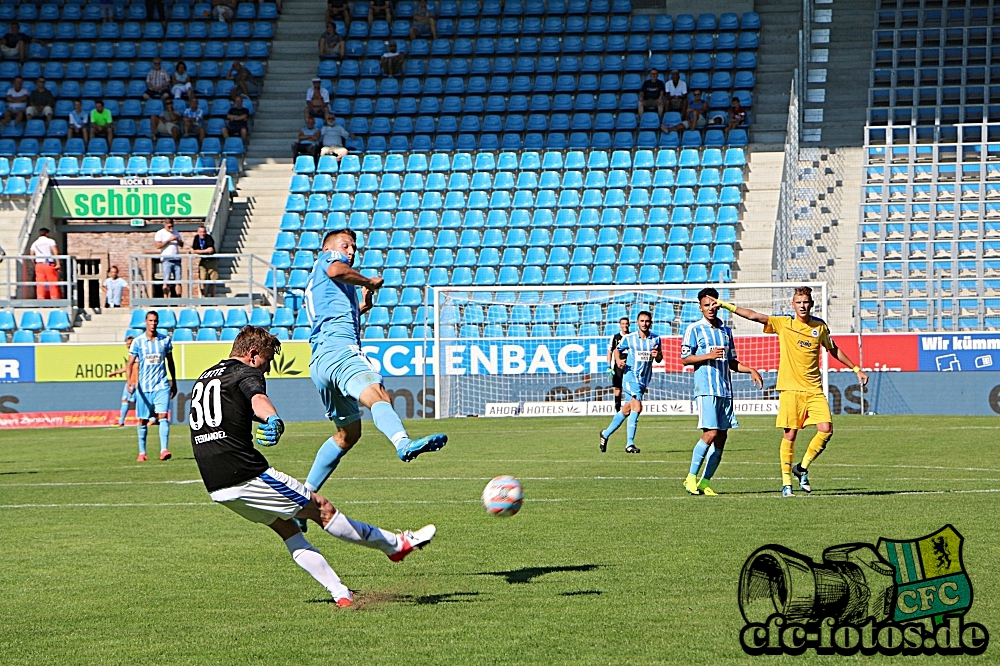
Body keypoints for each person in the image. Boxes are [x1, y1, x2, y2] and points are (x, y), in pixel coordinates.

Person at [189, 326, 436, 606]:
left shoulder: (207, 376)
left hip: (216, 483)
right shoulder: (247, 372)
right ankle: (395, 545)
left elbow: (228, 411)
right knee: (321, 509)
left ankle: (341, 594)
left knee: (288, 528)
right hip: (245, 472)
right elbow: (257, 398)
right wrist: (273, 419)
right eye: (267, 362)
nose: (266, 370)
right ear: (253, 354)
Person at [299, 229, 447, 528]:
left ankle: (302, 500)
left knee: (347, 435)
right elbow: (336, 268)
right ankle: (403, 442)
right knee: (377, 394)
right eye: (345, 244)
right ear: (329, 247)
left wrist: (363, 302)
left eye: (353, 246)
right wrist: (368, 280)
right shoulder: (330, 260)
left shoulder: (321, 286)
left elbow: (339, 307)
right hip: (341, 351)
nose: (350, 250)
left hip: (320, 361)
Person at [715, 286, 870, 497]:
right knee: (790, 434)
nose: (802, 306)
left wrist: (856, 369)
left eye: (806, 302)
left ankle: (802, 468)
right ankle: (786, 483)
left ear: (811, 304)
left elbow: (833, 349)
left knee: (826, 429)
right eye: (799, 302)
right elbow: (754, 316)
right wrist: (725, 305)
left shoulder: (819, 327)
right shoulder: (784, 323)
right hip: (790, 389)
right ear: (793, 305)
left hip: (814, 389)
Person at [681, 288, 763, 496]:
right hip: (706, 388)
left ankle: (704, 482)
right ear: (700, 307)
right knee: (710, 433)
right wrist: (707, 355)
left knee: (722, 437)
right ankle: (690, 478)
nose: (710, 308)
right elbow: (685, 358)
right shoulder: (694, 329)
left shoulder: (726, 331)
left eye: (713, 304)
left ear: (718, 304)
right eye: (706, 305)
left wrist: (751, 370)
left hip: (725, 390)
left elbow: (732, 362)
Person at [599, 310, 661, 454]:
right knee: (637, 407)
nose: (644, 324)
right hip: (630, 377)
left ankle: (605, 434)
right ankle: (629, 444)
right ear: (637, 322)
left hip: (643, 379)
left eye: (647, 321)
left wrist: (657, 355)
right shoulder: (630, 338)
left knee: (626, 409)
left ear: (650, 322)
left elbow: (659, 358)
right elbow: (616, 349)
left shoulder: (656, 339)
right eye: (642, 321)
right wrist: (619, 360)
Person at [126, 311, 177, 461]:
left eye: (155, 321)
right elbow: (130, 363)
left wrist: (174, 381)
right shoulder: (138, 342)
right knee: (142, 420)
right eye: (150, 321)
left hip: (161, 385)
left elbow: (170, 362)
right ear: (145, 322)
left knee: (162, 416)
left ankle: (164, 450)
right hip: (143, 387)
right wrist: (129, 380)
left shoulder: (165, 340)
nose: (153, 323)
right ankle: (142, 452)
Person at [108, 335, 138, 427]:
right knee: (125, 400)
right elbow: (128, 367)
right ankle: (121, 421)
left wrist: (136, 382)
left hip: (134, 382)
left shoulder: (136, 354)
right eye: (127, 344)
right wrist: (116, 372)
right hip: (131, 382)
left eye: (130, 343)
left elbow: (136, 368)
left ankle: (152, 419)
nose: (128, 345)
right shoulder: (131, 354)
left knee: (139, 401)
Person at [606, 316, 630, 413]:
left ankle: (629, 407)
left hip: (629, 364)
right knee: (618, 388)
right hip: (618, 365)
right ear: (620, 325)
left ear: (629, 324)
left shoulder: (632, 336)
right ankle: (617, 410)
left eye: (626, 323)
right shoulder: (615, 337)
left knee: (630, 387)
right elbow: (610, 351)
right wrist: (609, 366)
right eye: (623, 324)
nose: (625, 325)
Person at [155, 219, 183, 297]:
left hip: (176, 259)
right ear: (165, 225)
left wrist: (177, 239)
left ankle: (179, 301)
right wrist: (169, 240)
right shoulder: (160, 233)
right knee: (166, 281)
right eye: (169, 226)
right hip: (166, 260)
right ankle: (166, 300)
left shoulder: (176, 232)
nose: (171, 227)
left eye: (172, 225)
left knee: (178, 281)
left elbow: (181, 245)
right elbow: (158, 246)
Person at [30, 227, 60, 300]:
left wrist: (35, 264)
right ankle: (54, 299)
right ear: (47, 234)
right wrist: (58, 263)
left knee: (40, 283)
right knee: (52, 281)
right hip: (48, 264)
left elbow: (31, 255)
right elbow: (55, 252)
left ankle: (40, 298)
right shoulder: (50, 241)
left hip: (39, 264)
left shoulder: (35, 243)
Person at [192, 225, 217, 297]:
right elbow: (194, 250)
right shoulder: (196, 238)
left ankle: (213, 297)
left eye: (204, 232)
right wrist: (204, 251)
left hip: (211, 261)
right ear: (198, 232)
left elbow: (210, 250)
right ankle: (203, 296)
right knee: (202, 279)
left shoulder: (209, 237)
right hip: (202, 261)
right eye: (201, 232)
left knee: (213, 280)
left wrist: (198, 251)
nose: (202, 233)